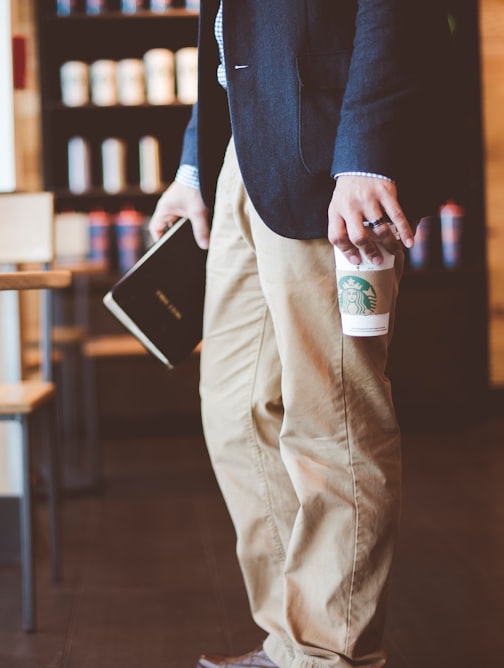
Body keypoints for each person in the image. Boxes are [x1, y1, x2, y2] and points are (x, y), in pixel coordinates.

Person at [148, 2, 451, 667]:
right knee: (234, 414)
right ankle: (293, 641)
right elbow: (234, 45)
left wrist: (368, 154)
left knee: (332, 415)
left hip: (333, 156)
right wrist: (195, 169)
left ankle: (326, 653)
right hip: (244, 157)